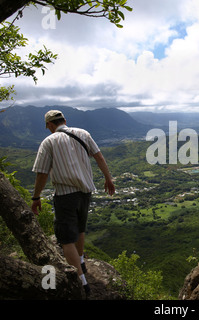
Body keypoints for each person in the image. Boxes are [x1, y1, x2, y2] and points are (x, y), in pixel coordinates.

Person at [31, 110, 115, 297]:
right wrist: (108, 179)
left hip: (65, 194)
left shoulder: (49, 142)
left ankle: (81, 281)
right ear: (64, 121)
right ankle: (82, 260)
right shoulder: (83, 134)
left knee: (66, 239)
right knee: (80, 228)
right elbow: (99, 157)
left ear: (49, 125)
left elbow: (42, 173)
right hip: (85, 191)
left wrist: (35, 197)